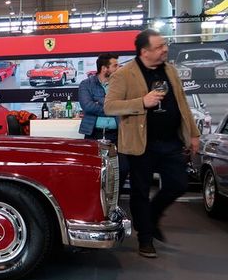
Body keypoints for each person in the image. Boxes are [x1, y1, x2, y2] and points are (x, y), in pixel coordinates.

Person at [104, 29, 200, 259]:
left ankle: (152, 215)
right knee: (140, 192)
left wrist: (193, 135)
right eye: (159, 47)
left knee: (178, 184)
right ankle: (145, 238)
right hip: (141, 145)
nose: (165, 49)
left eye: (164, 45)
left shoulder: (171, 71)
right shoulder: (125, 74)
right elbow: (110, 106)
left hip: (171, 142)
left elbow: (182, 104)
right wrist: (142, 102)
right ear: (145, 52)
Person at [79, 53, 128, 189]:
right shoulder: (86, 84)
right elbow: (87, 106)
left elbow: (125, 105)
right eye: (115, 65)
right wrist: (112, 107)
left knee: (122, 169)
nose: (119, 67)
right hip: (93, 134)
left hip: (117, 135)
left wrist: (99, 102)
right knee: (93, 171)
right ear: (104, 68)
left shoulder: (121, 85)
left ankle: (114, 203)